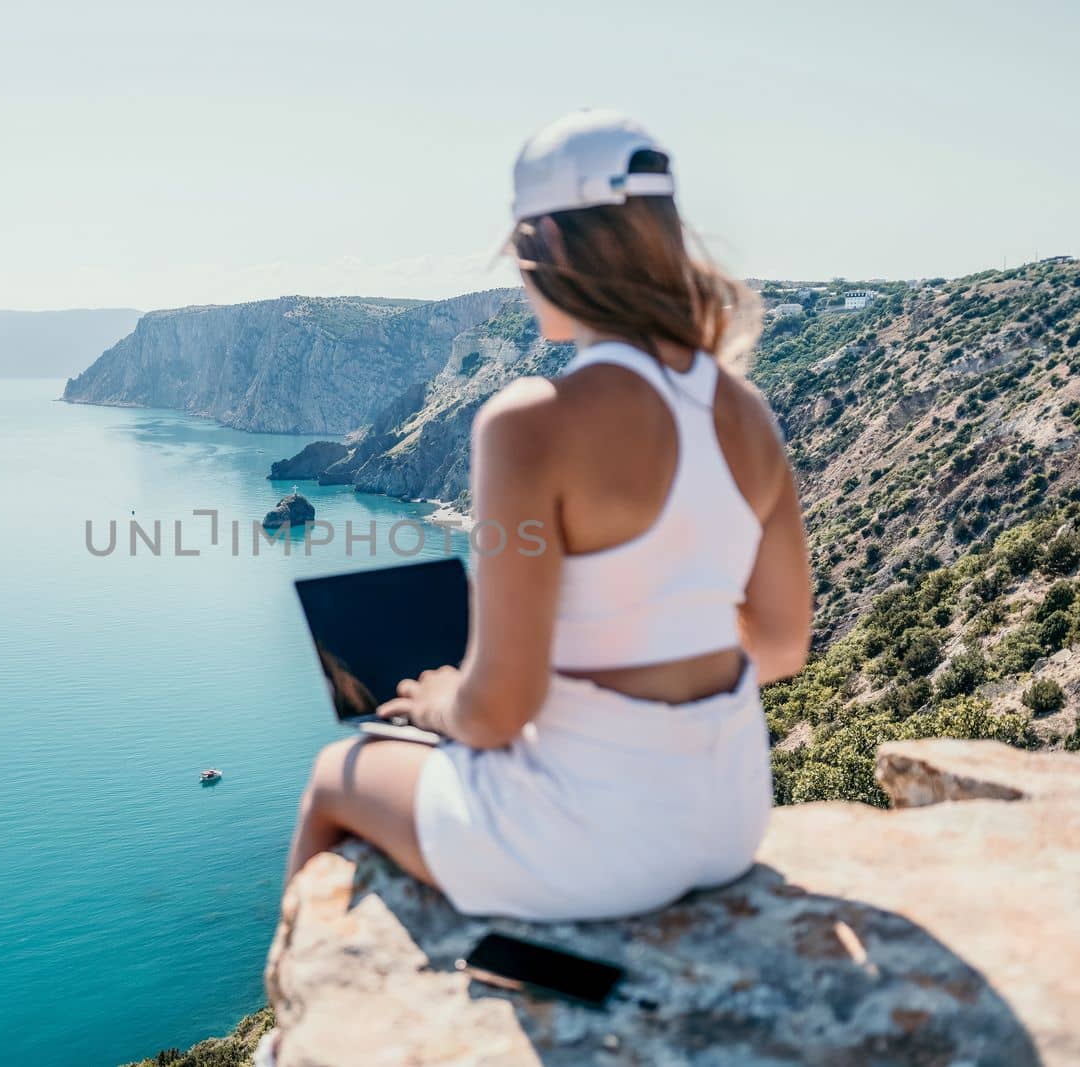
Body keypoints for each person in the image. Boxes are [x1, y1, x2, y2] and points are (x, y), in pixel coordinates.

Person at [282, 111, 812, 921]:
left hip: (588, 847)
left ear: (552, 248)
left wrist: (439, 702)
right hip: (728, 821)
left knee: (334, 775)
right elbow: (780, 643)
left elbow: (498, 712)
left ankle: (297, 1032)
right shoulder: (745, 410)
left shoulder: (533, 421)